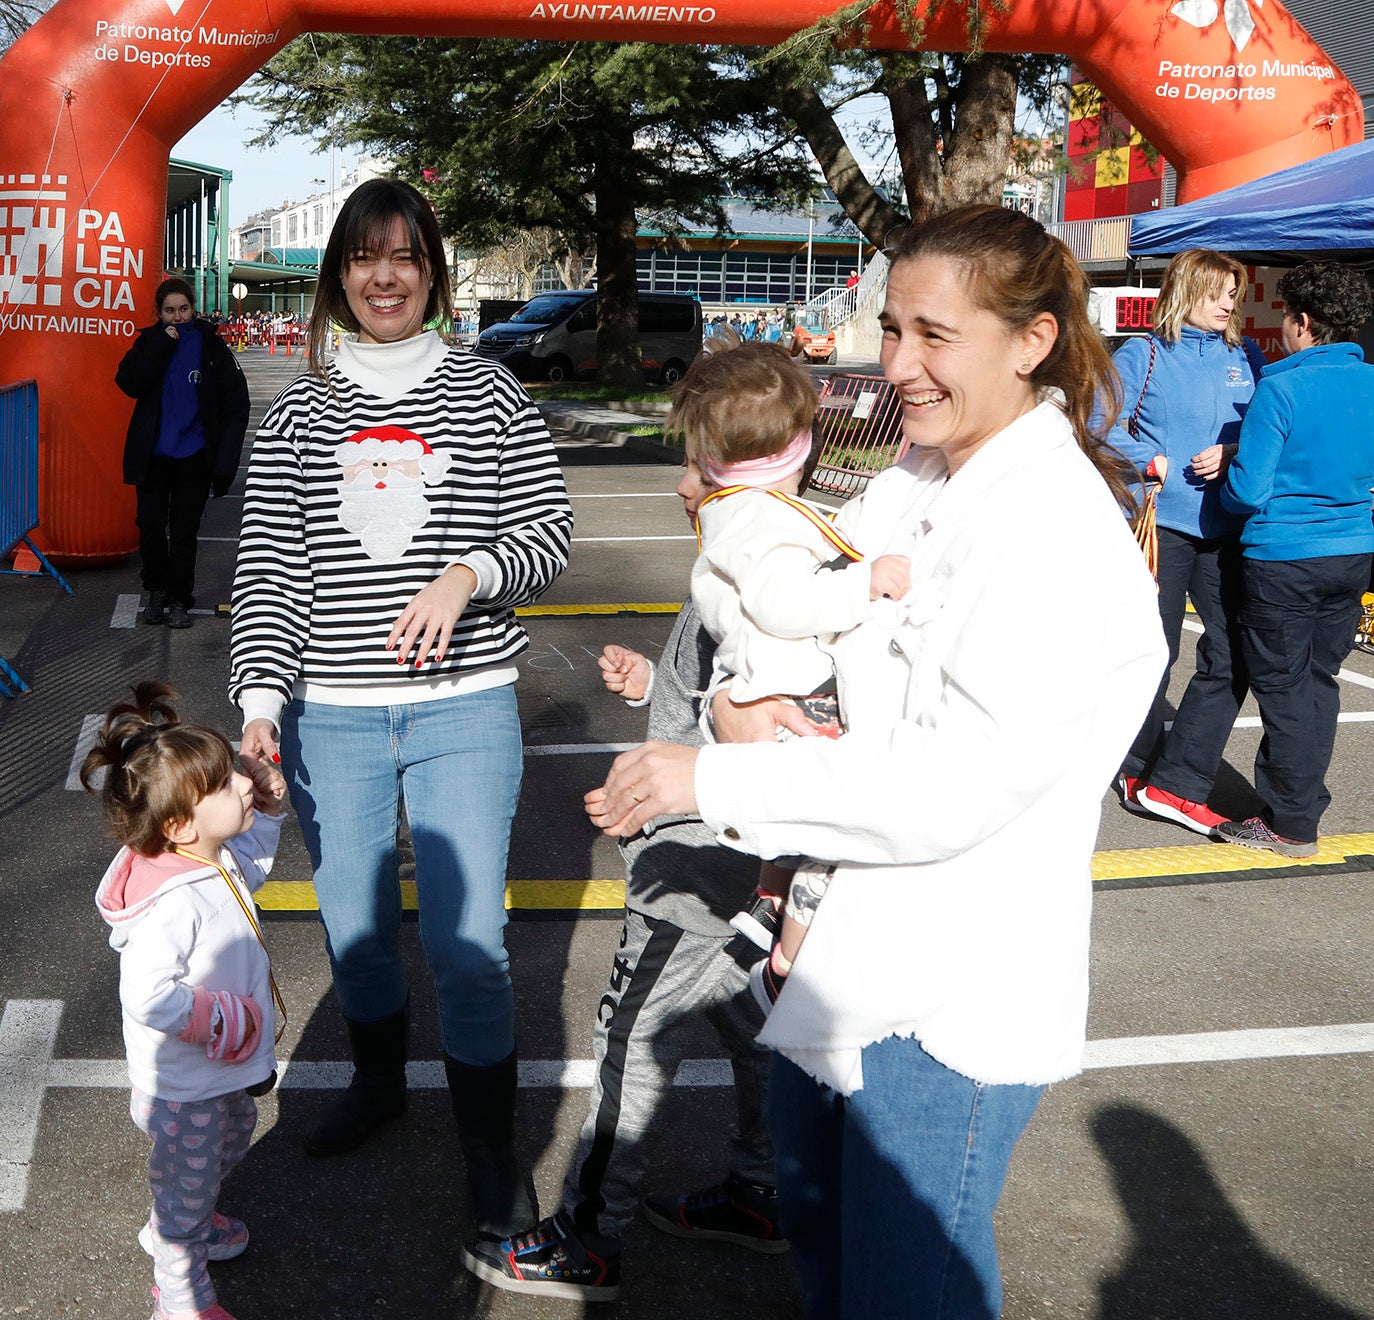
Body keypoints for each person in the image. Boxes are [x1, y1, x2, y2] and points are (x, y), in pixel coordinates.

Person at [585, 204, 1168, 1319]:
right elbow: (811, 635)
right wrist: (743, 697)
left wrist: (711, 777)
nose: (897, 363)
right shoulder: (920, 476)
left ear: (1032, 341)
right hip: (833, 946)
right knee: (820, 1232)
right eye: (890, 326)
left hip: (945, 986)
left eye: (933, 335)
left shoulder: (1051, 529)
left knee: (907, 1289)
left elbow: (957, 784)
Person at [229, 178, 572, 1247]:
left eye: (407, 257)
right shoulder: (297, 416)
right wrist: (258, 702)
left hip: (463, 706)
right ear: (339, 275)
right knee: (359, 929)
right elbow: (268, 573)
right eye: (366, 258)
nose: (386, 276)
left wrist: (470, 572)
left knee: (472, 943)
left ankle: (488, 1157)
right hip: (329, 716)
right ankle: (379, 1087)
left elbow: (549, 533)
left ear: (433, 272)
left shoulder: (491, 396)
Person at [463, 600, 787, 1299]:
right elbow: (727, 699)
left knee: (630, 1044)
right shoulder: (758, 559)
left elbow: (778, 724)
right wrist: (657, 686)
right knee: (758, 1027)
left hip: (694, 867)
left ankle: (588, 1235)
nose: (685, 483)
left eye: (708, 478)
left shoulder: (769, 569)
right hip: (743, 866)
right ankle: (767, 1185)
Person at [674, 338, 910, 1009]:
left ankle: (768, 899)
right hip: (792, 701)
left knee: (799, 840)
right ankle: (789, 956)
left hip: (763, 693)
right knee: (832, 842)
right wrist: (866, 583)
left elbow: (826, 534)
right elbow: (785, 601)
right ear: (799, 444)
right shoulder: (761, 519)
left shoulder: (744, 510)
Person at [85, 682, 287, 1320]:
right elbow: (149, 995)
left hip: (216, 1071)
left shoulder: (209, 857)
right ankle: (179, 1293)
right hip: (186, 1079)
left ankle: (184, 1215)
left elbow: (250, 855)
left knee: (230, 1139)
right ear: (178, 824)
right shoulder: (172, 903)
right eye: (227, 785)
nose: (243, 785)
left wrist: (271, 809)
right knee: (186, 1191)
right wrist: (221, 1019)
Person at [1215, 262, 1374, 858]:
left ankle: (1290, 823)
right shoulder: (1371, 383)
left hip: (1282, 556)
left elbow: (1248, 491)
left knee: (1281, 688)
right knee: (1318, 682)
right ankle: (1303, 804)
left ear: (1303, 321)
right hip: (1353, 551)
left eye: (1285, 316)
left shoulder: (1280, 389)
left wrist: (1225, 478)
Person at [1107, 249, 1268, 836]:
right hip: (1163, 528)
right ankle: (1133, 765)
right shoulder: (1143, 353)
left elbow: (1263, 426)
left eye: (1234, 292)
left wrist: (1232, 453)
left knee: (1231, 657)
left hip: (1227, 528)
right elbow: (1098, 422)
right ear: (1186, 290)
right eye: (1219, 292)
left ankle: (1175, 780)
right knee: (1155, 652)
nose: (1230, 303)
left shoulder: (1245, 355)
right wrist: (1148, 461)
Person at [116, 278, 250, 629]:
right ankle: (156, 591)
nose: (177, 317)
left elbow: (236, 402)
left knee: (184, 531)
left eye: (183, 309)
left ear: (193, 308)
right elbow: (128, 382)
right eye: (169, 311)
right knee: (149, 523)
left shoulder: (211, 345)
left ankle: (179, 600)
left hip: (194, 455)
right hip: (154, 455)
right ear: (159, 313)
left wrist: (224, 462)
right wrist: (161, 344)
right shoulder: (150, 341)